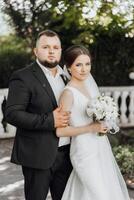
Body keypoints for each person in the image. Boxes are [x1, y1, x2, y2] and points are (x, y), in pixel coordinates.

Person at [5, 30, 107, 200]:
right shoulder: (23, 77)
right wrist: (50, 120)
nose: (51, 51)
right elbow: (12, 114)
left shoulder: (69, 77)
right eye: (45, 47)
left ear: (61, 51)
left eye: (55, 47)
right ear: (36, 51)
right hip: (38, 156)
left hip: (69, 155)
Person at [56, 45, 130, 200]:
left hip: (99, 146)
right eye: (78, 65)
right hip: (83, 150)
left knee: (104, 190)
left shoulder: (89, 86)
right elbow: (60, 131)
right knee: (99, 194)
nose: (84, 69)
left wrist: (101, 126)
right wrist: (90, 128)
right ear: (69, 68)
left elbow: (95, 119)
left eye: (87, 64)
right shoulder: (68, 93)